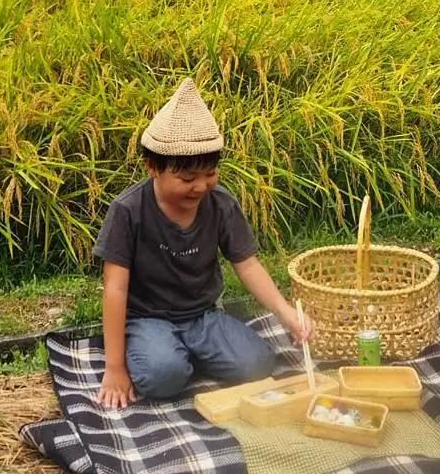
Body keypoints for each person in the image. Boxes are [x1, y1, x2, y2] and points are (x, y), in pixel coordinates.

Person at [93, 78, 311, 409]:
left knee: (258, 365)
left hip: (204, 316)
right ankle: (165, 354)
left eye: (210, 174)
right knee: (162, 376)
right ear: (153, 168)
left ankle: (187, 352)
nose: (200, 186)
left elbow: (248, 264)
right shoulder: (128, 211)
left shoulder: (221, 205)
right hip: (147, 317)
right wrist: (115, 368)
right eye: (187, 178)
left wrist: (286, 314)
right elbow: (115, 289)